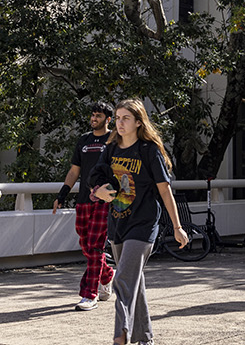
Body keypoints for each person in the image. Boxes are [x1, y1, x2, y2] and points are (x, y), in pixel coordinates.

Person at [90, 98, 189, 345]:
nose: (120, 123)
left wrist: (177, 227)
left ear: (138, 122)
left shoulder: (148, 151)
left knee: (123, 279)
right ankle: (145, 339)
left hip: (144, 225)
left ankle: (120, 335)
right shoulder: (111, 149)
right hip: (118, 223)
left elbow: (165, 191)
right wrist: (98, 191)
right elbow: (96, 178)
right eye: (118, 118)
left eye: (126, 118)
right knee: (135, 281)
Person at [53, 101, 117, 310]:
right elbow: (74, 170)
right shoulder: (84, 140)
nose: (93, 119)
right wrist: (62, 194)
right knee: (86, 246)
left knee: (95, 246)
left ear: (108, 119)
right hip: (83, 200)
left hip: (104, 200)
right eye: (92, 115)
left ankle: (90, 294)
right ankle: (107, 274)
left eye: (98, 116)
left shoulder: (114, 140)